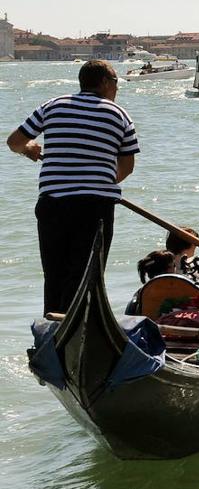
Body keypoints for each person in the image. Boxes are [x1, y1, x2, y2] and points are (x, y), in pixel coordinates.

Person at [7, 60, 140, 316]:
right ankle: (75, 327)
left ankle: (53, 331)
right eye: (115, 82)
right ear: (103, 83)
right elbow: (127, 166)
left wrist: (28, 149)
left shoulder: (53, 105)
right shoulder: (119, 115)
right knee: (86, 275)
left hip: (53, 204)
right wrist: (102, 181)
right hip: (95, 206)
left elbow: (14, 142)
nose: (117, 88)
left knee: (55, 274)